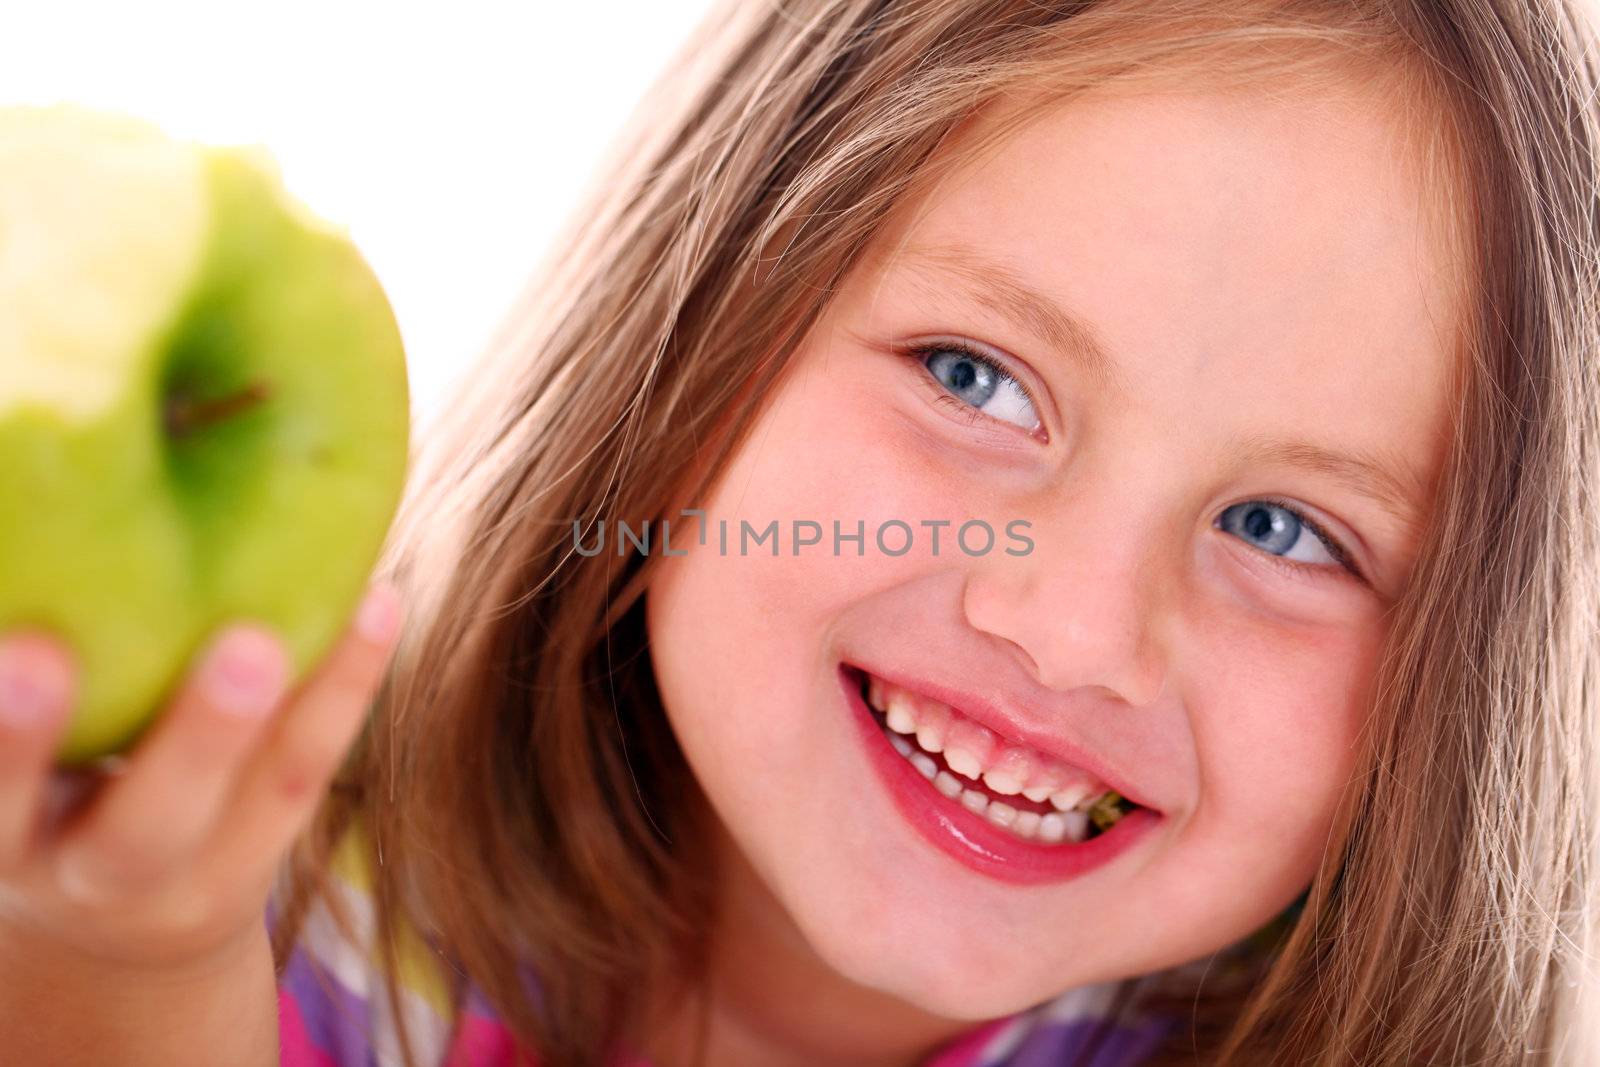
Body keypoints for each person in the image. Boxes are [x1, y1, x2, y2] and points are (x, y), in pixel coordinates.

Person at [5, 0, 1599, 1063]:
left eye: (1284, 525)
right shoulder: (253, 865)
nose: (1075, 629)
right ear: (688, 337)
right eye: (974, 379)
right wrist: (133, 970)